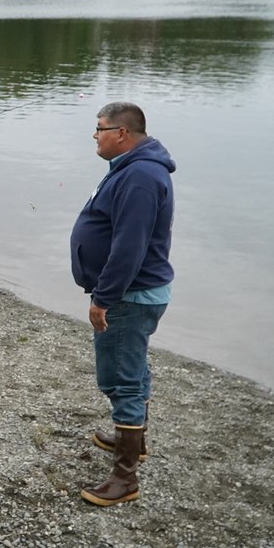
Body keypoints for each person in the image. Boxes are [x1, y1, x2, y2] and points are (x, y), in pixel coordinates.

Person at [69, 102, 175, 507]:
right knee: (131, 368)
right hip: (132, 293)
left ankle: (124, 478)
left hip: (129, 296)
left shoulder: (142, 178)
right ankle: (134, 438)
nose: (95, 135)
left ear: (123, 134)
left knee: (121, 378)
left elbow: (129, 248)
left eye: (99, 129)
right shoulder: (132, 168)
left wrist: (104, 299)